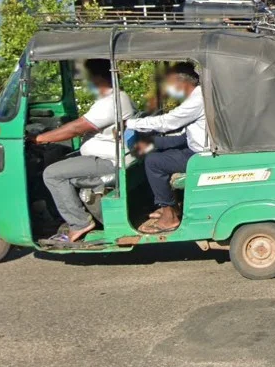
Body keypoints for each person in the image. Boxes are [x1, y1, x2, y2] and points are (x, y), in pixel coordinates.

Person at [37, 60, 135, 243]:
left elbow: (77, 128)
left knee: (51, 174)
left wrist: (40, 138)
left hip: (110, 161)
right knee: (62, 163)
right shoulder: (113, 98)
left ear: (98, 78)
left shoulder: (112, 102)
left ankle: (79, 223)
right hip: (106, 157)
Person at [124, 63, 208, 233]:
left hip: (201, 153)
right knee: (155, 147)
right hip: (193, 143)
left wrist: (130, 124)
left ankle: (169, 216)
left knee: (154, 162)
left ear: (181, 83)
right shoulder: (198, 95)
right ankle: (171, 206)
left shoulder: (197, 99)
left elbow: (168, 122)